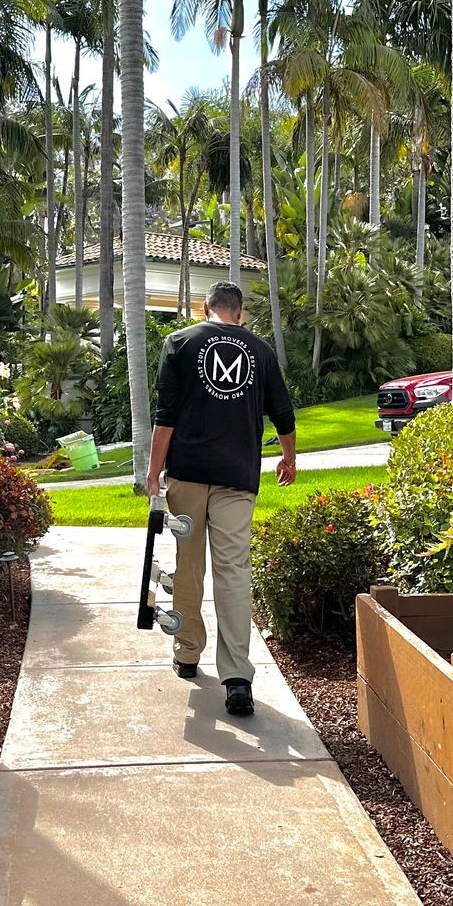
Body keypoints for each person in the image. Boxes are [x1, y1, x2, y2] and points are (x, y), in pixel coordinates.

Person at [143, 281, 296, 716]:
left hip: (188, 475)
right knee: (233, 571)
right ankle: (236, 679)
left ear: (204, 308)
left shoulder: (179, 342)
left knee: (189, 567)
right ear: (240, 312)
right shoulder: (261, 351)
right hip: (237, 477)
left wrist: (154, 472)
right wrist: (289, 459)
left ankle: (188, 654)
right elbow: (282, 413)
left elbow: (165, 416)